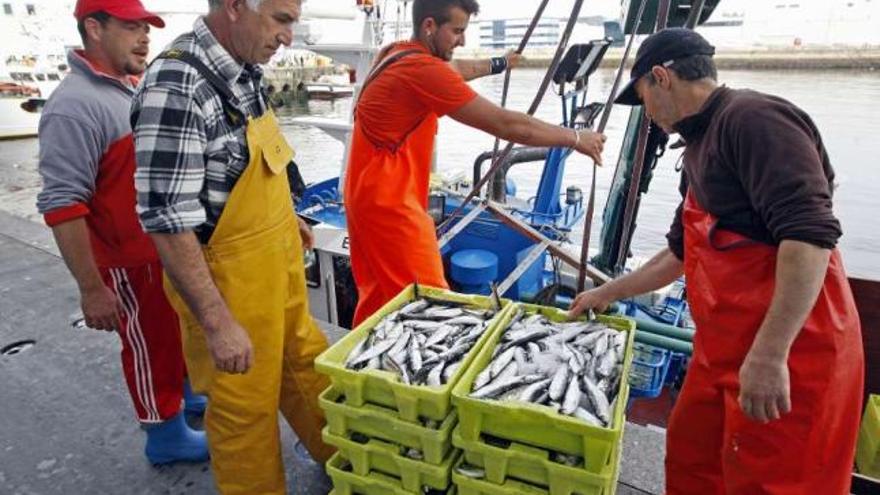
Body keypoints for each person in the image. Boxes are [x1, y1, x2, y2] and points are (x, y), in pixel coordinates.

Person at [569, 28, 864, 494]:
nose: (647, 114)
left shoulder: (755, 120)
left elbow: (810, 237)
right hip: (721, 351)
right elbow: (681, 252)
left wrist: (770, 355)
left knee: (774, 481)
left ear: (661, 77)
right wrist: (606, 292)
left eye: (643, 97)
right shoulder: (697, 146)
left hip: (792, 352)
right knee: (693, 461)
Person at [130, 0, 333, 493]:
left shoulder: (245, 69)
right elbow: (167, 222)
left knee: (308, 369)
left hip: (277, 272)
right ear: (238, 6)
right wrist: (217, 324)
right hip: (230, 293)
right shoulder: (176, 85)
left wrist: (290, 217)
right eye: (281, 20)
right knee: (245, 413)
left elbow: (258, 160)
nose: (289, 37)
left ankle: (348, 463)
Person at [345, 0, 607, 325]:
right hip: (392, 209)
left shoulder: (395, 53)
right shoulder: (423, 71)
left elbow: (455, 71)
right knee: (433, 308)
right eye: (456, 31)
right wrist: (576, 138)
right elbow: (509, 126)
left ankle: (360, 369)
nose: (462, 41)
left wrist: (501, 63)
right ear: (429, 26)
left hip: (362, 200)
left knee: (379, 299)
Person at [35, 0, 209, 465]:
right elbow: (61, 204)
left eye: (146, 27)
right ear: (94, 28)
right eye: (131, 27)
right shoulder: (73, 106)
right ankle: (164, 434)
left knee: (171, 331)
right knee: (149, 343)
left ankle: (185, 396)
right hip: (127, 262)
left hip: (159, 251)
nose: (145, 37)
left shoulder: (129, 86)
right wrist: (92, 289)